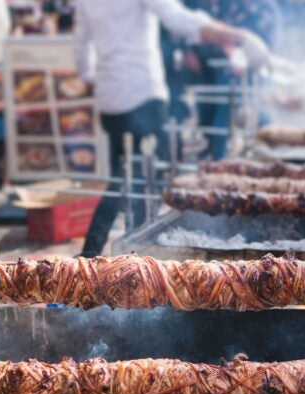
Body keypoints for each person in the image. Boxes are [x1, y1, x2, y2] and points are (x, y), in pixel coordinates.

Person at [75, 0, 271, 257]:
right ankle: (127, 259)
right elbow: (179, 19)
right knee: (145, 180)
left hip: (110, 100)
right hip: (143, 95)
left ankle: (106, 255)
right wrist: (238, 37)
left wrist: (93, 77)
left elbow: (81, 47)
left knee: (124, 178)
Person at [185, 0, 280, 160]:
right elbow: (211, 26)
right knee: (206, 111)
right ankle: (211, 149)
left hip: (239, 75)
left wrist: (240, 54)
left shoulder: (263, 8)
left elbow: (264, 45)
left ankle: (219, 156)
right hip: (209, 68)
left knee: (226, 113)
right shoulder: (222, 5)